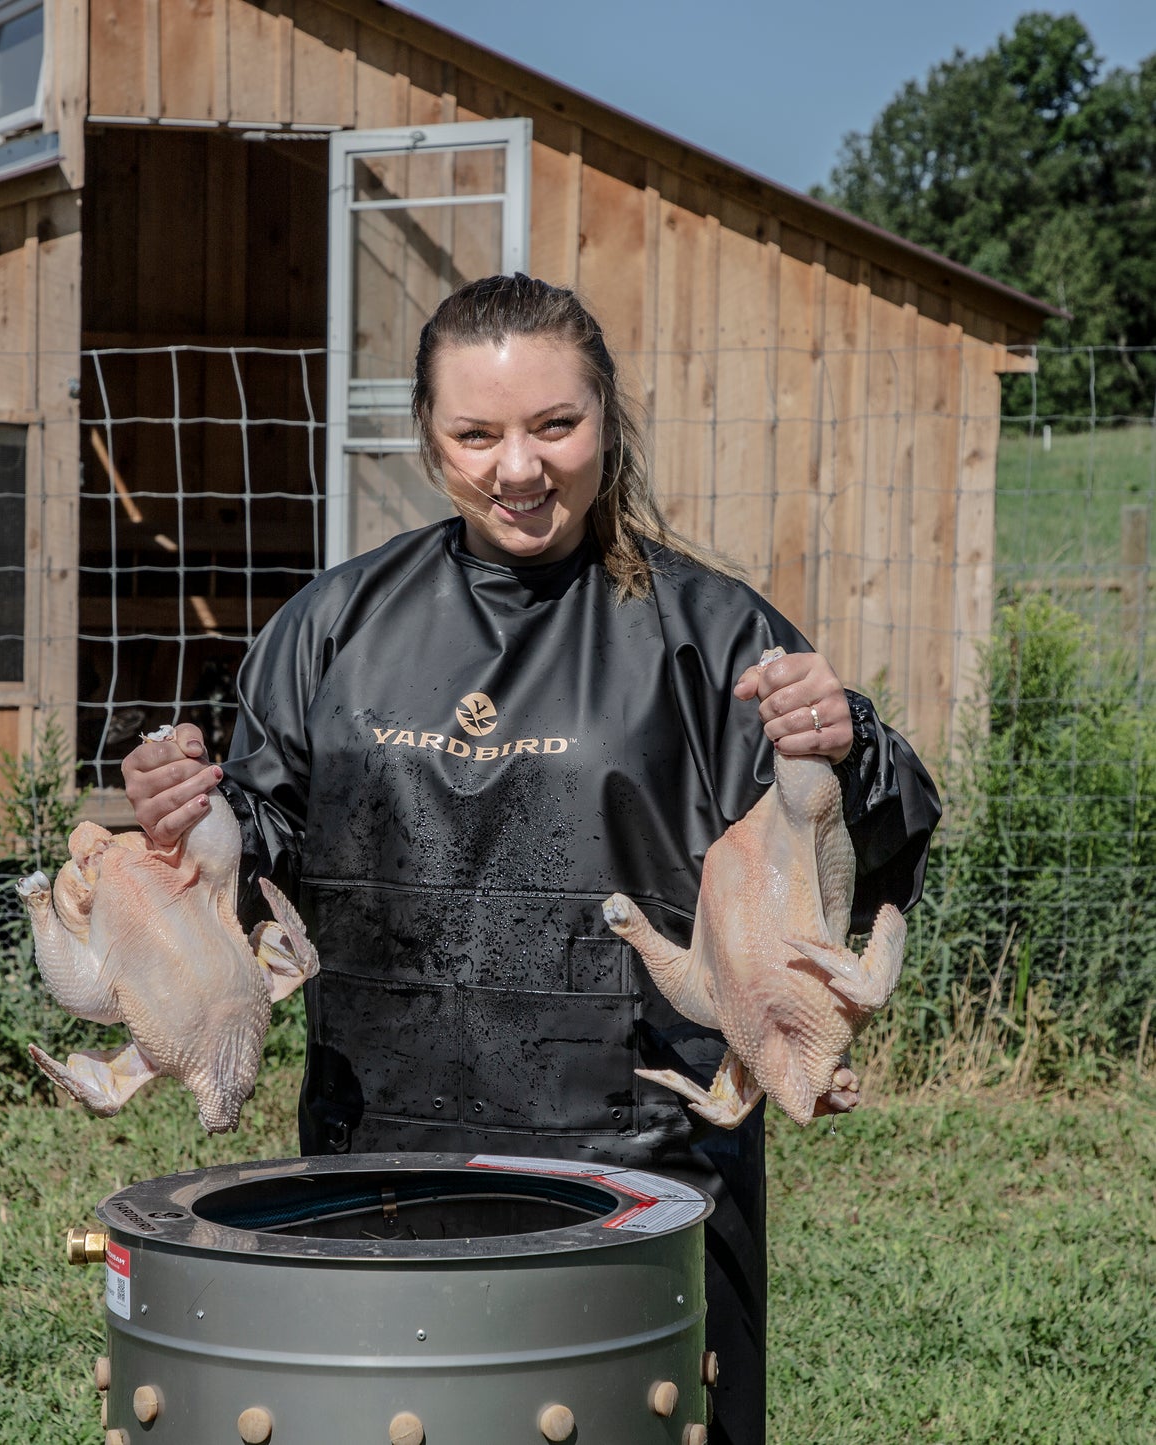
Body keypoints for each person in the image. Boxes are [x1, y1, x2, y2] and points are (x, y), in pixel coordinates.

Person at [122, 273, 941, 1445]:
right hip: (374, 1158)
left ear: (606, 418)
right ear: (425, 437)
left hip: (645, 1175)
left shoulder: (712, 633)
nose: (519, 467)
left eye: (554, 425)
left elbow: (864, 852)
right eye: (477, 433)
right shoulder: (333, 624)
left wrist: (847, 739)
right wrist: (190, 825)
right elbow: (263, 858)